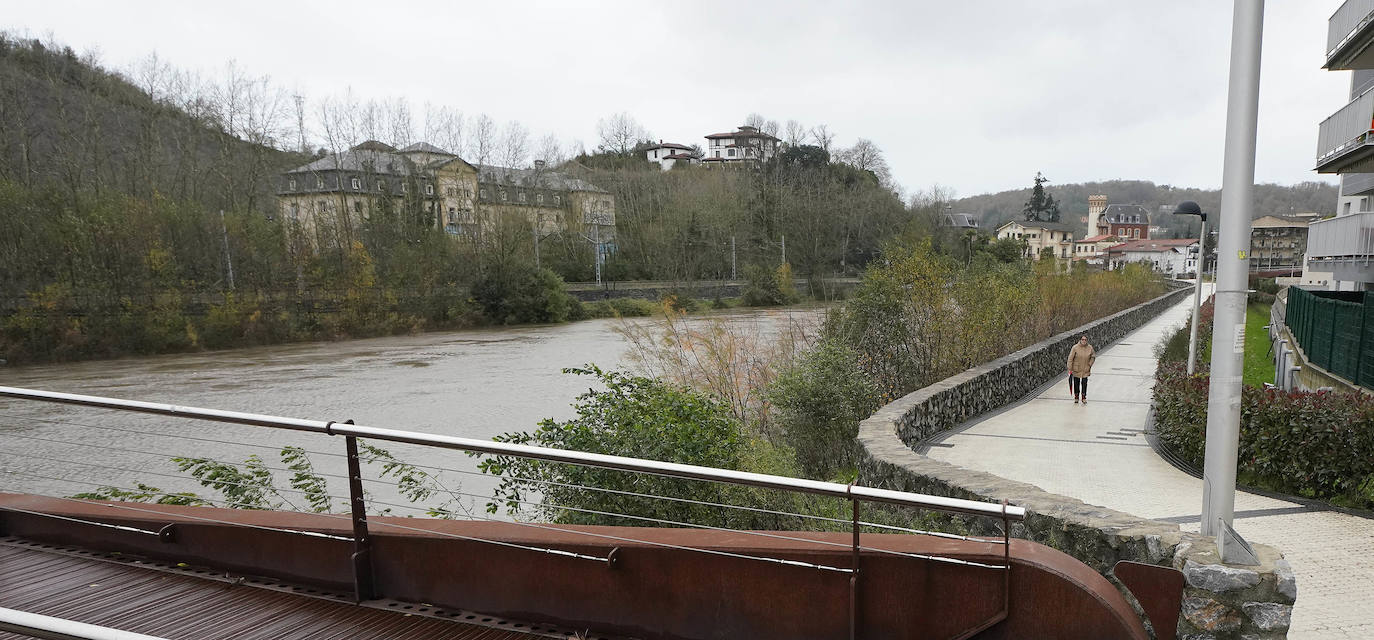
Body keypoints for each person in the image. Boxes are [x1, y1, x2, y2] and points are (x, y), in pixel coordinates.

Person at [1067, 335, 1096, 404]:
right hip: (1076, 368)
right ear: (1080, 340)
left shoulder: (1090, 348)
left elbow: (1093, 356)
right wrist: (1069, 368)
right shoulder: (1075, 347)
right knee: (1076, 383)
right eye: (1082, 339)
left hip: (1086, 368)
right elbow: (1070, 358)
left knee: (1084, 383)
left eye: (1085, 339)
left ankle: (1083, 397)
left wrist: (1090, 364)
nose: (1084, 341)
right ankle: (1076, 396)